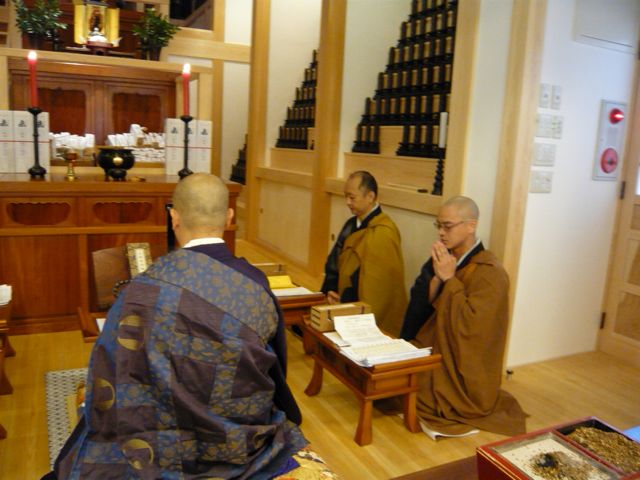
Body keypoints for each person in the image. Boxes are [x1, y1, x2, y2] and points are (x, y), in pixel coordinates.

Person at [46, 174, 307, 479]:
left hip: (155, 444)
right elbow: (275, 372)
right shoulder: (256, 284)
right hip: (238, 440)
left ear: (174, 217)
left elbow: (112, 367)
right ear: (229, 217)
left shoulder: (142, 290)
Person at [400, 196, 526, 437]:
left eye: (447, 226)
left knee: (414, 391)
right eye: (438, 225)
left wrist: (450, 280)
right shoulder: (446, 258)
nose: (441, 233)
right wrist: (438, 280)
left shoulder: (491, 272)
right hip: (435, 343)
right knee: (396, 379)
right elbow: (422, 305)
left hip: (462, 365)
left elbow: (474, 327)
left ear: (471, 225)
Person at [321, 170, 407, 336]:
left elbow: (379, 285)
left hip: (361, 308)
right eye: (346, 197)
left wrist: (347, 302)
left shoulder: (384, 231)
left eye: (352, 197)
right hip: (340, 300)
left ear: (370, 196)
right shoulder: (351, 224)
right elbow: (334, 261)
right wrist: (330, 291)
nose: (347, 202)